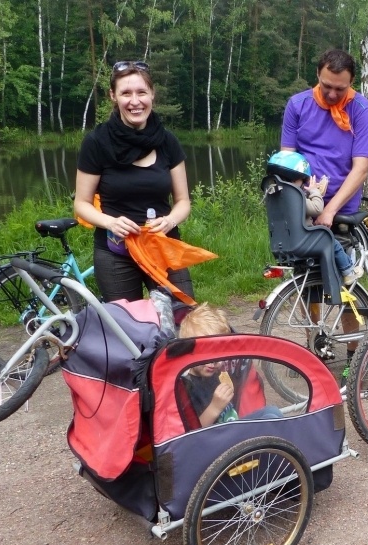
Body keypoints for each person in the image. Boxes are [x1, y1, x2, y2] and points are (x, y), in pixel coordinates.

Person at [280, 48, 368, 381]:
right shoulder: (297, 105)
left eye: (341, 88)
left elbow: (361, 167)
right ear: (317, 75)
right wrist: (302, 192)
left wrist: (332, 209)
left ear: (351, 83)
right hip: (306, 202)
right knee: (308, 282)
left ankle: (354, 355)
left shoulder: (361, 109)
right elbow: (287, 158)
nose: (333, 94)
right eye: (326, 86)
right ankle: (314, 346)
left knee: (345, 286)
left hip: (342, 208)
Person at [74, 60, 194, 304]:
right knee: (128, 331)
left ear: (152, 94)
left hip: (163, 246)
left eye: (141, 92)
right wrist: (111, 222)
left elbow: (183, 201)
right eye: (126, 93)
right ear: (113, 96)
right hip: (116, 253)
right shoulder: (97, 142)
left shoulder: (167, 141)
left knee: (182, 321)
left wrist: (170, 220)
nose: (135, 101)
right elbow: (82, 204)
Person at [266, 150, 363, 285]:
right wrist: (315, 192)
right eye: (302, 180)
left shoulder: (276, 197)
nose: (304, 184)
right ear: (294, 178)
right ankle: (348, 271)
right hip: (304, 239)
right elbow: (317, 209)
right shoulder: (294, 197)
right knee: (332, 242)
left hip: (283, 242)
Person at [180, 303, 282, 427]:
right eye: (205, 355)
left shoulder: (216, 374)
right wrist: (214, 408)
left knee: (272, 412)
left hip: (233, 427)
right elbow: (191, 434)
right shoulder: (187, 387)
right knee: (269, 420)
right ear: (189, 352)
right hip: (218, 441)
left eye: (218, 354)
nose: (213, 362)